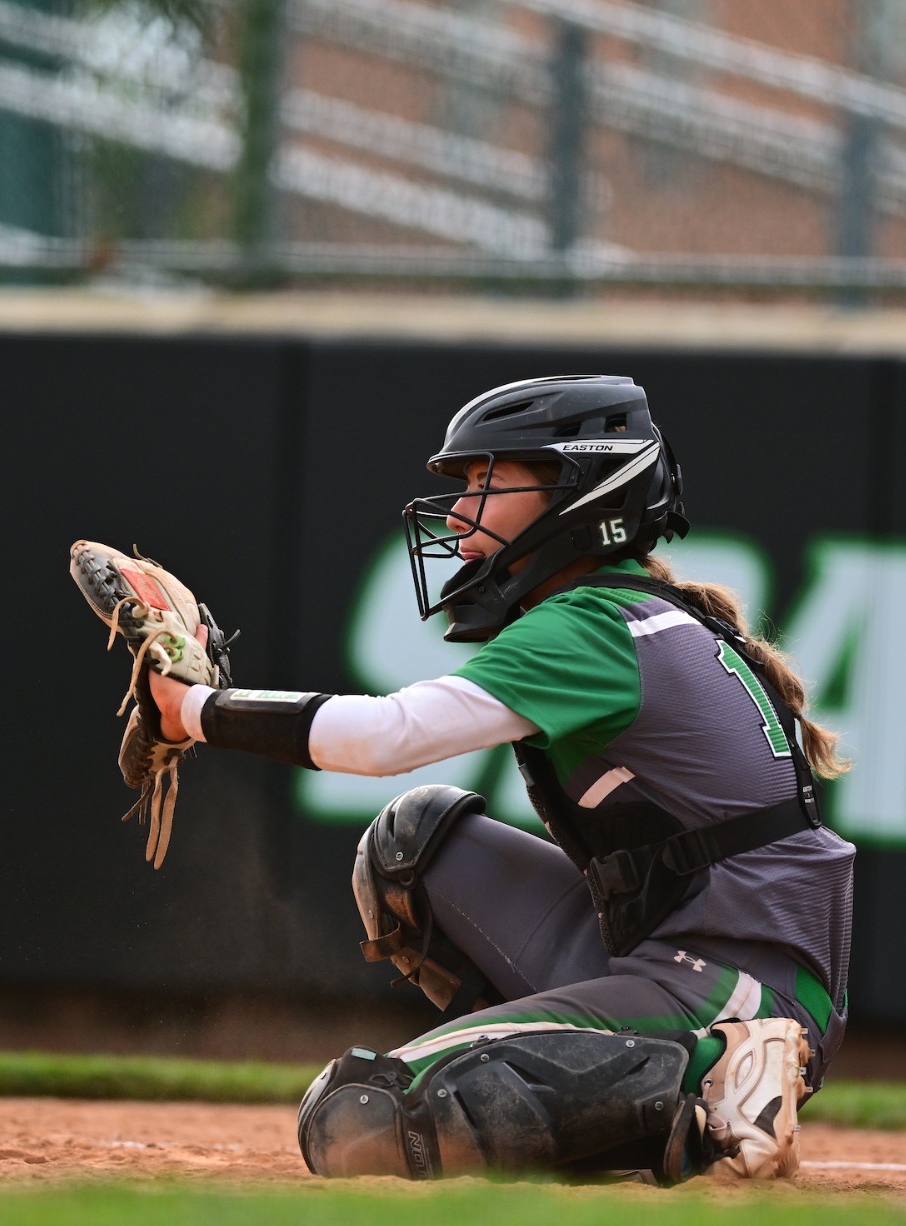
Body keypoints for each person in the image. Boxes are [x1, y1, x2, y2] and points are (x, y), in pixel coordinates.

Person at [145, 375, 855, 1185]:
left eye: (487, 482)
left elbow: (386, 737)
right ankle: (589, 1085)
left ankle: (719, 1080)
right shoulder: (623, 610)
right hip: (690, 954)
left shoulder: (591, 624)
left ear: (579, 489)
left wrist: (191, 708)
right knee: (410, 847)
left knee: (356, 1116)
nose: (458, 514)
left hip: (736, 992)